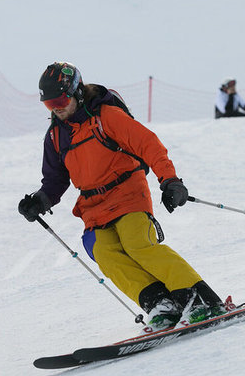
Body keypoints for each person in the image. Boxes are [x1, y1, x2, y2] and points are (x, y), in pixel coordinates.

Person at [18, 62, 225, 329]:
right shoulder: (57, 136)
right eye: (49, 104)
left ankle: (200, 300)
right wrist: (40, 201)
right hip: (93, 206)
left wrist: (169, 179)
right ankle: (161, 304)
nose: (56, 107)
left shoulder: (106, 116)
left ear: (77, 92)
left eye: (60, 99)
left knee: (138, 244)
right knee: (104, 253)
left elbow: (147, 143)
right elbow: (56, 179)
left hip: (127, 192)